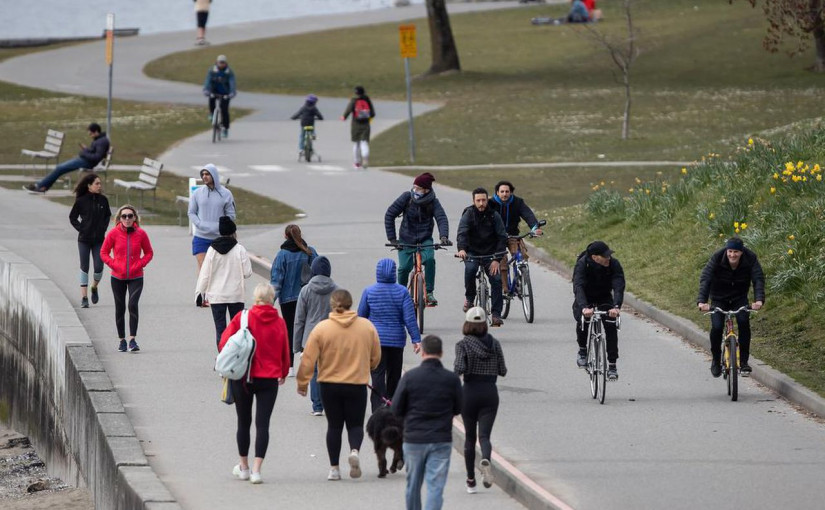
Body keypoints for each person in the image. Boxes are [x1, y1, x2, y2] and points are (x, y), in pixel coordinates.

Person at [297, 289, 381, 481]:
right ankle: (354, 451)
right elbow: (376, 355)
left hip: (329, 384)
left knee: (334, 426)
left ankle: (334, 468)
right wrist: (369, 365)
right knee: (355, 424)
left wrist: (302, 383)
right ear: (351, 304)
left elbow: (308, 358)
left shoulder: (322, 328)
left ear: (332, 305)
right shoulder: (366, 327)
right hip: (356, 383)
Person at [219, 283, 290, 485]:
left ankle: (243, 467)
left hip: (243, 376)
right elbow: (285, 351)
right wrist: (284, 372)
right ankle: (257, 470)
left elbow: (224, 342)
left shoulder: (243, 317)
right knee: (263, 424)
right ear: (272, 299)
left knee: (243, 422)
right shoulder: (279, 322)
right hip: (269, 379)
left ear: (256, 298)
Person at [391, 335, 462, 510]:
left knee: (413, 485)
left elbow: (396, 409)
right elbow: (458, 408)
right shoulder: (451, 379)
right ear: (441, 353)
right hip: (441, 439)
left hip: (414, 439)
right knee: (435, 487)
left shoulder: (410, 377)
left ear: (422, 352)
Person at [454, 306, 507, 494]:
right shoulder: (494, 344)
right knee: (484, 436)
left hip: (469, 392)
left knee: (469, 438)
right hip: (490, 393)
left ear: (467, 324)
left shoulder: (463, 345)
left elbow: (459, 368)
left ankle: (471, 481)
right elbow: (503, 370)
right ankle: (485, 458)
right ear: (485, 324)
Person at [358, 258, 422, 412]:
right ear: (394, 272)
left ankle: (378, 408)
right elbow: (409, 318)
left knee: (377, 375)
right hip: (396, 341)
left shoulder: (369, 291)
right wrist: (416, 339)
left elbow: (361, 317)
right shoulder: (402, 292)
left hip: (376, 342)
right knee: (394, 375)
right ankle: (392, 406)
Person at [697, 236, 765, 377]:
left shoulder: (750, 258)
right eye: (730, 251)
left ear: (741, 252)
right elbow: (706, 278)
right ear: (726, 251)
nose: (732, 255)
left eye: (736, 252)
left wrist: (758, 300)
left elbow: (758, 278)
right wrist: (702, 302)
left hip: (739, 297)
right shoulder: (717, 257)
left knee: (743, 322)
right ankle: (716, 360)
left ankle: (744, 362)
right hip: (719, 297)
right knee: (717, 327)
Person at [385, 172, 451, 306]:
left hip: (425, 239)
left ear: (426, 190)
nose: (415, 190)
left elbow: (441, 218)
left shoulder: (433, 202)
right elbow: (389, 215)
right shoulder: (406, 197)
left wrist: (444, 236)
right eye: (414, 187)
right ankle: (401, 294)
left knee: (430, 260)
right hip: (406, 239)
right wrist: (393, 239)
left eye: (418, 188)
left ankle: (429, 292)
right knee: (404, 268)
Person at [100, 205, 153, 353]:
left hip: (136, 276)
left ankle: (132, 340)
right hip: (117, 277)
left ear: (135, 217)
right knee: (120, 307)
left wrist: (140, 264)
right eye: (124, 216)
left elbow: (149, 252)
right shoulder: (113, 233)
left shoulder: (141, 234)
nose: (127, 219)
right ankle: (122, 340)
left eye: (130, 216)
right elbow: (103, 252)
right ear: (120, 218)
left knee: (132, 305)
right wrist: (114, 264)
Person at [195, 216, 252, 349]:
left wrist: (199, 293)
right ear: (234, 232)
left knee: (220, 329)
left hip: (216, 296)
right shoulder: (239, 249)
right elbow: (247, 272)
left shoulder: (212, 250)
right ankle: (235, 356)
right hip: (236, 295)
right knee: (237, 329)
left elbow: (205, 274)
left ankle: (222, 356)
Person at [572, 241, 625, 380]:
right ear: (595, 257)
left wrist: (616, 306)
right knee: (583, 320)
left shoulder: (614, 264)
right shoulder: (582, 264)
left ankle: (612, 365)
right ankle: (582, 351)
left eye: (609, 255)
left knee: (611, 324)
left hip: (604, 296)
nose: (608, 258)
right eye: (605, 256)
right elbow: (578, 286)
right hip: (586, 297)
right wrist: (584, 307)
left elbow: (618, 285)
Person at [271, 225, 318, 376]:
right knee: (306, 328)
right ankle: (306, 359)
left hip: (287, 299)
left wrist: (270, 301)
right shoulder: (309, 252)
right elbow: (318, 272)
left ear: (285, 236)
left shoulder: (282, 255)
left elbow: (277, 280)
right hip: (306, 296)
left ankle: (290, 366)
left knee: (289, 330)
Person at [293, 256, 338, 416]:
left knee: (314, 371)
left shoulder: (306, 290)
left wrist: (297, 345)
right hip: (331, 336)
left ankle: (317, 406)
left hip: (310, 337)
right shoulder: (337, 290)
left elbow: (299, 319)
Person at [456, 188, 507, 327]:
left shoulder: (494, 215)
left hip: (491, 254)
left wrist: (497, 259)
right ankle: (469, 299)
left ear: (487, 200)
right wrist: (462, 249)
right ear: (473, 201)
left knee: (496, 280)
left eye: (484, 200)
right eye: (478, 200)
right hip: (472, 252)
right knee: (470, 270)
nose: (481, 203)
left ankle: (496, 314)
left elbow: (502, 237)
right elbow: (462, 233)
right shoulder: (468, 214)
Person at [188, 163, 236, 304]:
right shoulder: (198, 193)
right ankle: (202, 295)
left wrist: (222, 226)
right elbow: (191, 212)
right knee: (203, 266)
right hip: (201, 236)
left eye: (207, 174)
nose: (204, 177)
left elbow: (231, 215)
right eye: (202, 174)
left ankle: (215, 294)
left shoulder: (226, 194)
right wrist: (199, 224)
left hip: (219, 237)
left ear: (214, 175)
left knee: (217, 268)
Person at [488, 181, 543, 294]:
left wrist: (534, 228)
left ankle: (520, 278)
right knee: (502, 261)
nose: (504, 194)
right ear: (497, 193)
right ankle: (505, 288)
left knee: (522, 256)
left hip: (513, 235)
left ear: (511, 192)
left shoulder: (518, 202)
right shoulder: (491, 204)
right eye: (502, 192)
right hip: (496, 238)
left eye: (507, 191)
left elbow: (528, 215)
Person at [24, 123, 110, 194]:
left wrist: (83, 153)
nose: (90, 135)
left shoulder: (102, 142)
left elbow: (96, 157)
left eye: (91, 133)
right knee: (59, 168)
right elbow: (94, 152)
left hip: (87, 162)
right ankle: (41, 186)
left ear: (96, 131)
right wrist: (86, 150)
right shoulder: (99, 140)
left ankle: (40, 186)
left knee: (60, 168)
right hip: (85, 160)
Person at [69, 172, 111, 309]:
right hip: (84, 240)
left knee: (99, 267)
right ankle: (84, 297)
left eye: (100, 183)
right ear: (89, 186)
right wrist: (81, 229)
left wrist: (103, 229)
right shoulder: (81, 201)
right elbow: (72, 217)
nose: (99, 186)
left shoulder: (103, 200)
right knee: (84, 267)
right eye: (97, 183)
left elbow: (107, 216)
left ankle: (94, 287)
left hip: (99, 240)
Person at [340, 85, 375, 169]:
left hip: (355, 124)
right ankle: (365, 158)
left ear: (356, 93)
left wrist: (344, 117)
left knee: (356, 143)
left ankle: (357, 163)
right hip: (366, 124)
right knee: (364, 143)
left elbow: (348, 110)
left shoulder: (354, 100)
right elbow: (373, 113)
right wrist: (368, 118)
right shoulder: (367, 100)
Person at [202, 55, 237, 138]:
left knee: (224, 110)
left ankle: (225, 128)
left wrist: (232, 92)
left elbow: (232, 82)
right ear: (217, 62)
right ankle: (212, 114)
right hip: (214, 91)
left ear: (226, 63)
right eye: (220, 62)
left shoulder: (229, 72)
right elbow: (208, 80)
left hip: (225, 93)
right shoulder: (212, 70)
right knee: (211, 100)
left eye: (223, 62)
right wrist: (206, 90)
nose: (221, 64)